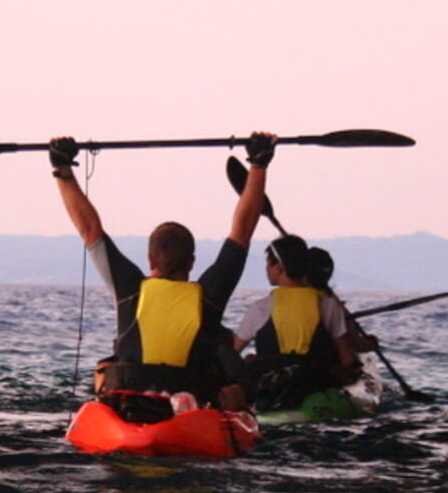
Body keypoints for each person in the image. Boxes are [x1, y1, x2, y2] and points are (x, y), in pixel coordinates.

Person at [51, 133, 276, 422]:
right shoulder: (209, 294)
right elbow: (242, 231)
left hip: (131, 403)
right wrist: (259, 165)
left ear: (150, 260)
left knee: (106, 369)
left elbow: (90, 230)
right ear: (192, 262)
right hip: (190, 405)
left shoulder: (130, 288)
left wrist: (62, 171)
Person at [233, 234, 360, 413]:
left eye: (268, 263)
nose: (267, 269)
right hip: (316, 383)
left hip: (270, 389)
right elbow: (347, 358)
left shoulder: (260, 308)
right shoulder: (330, 305)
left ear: (279, 268)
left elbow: (233, 352)